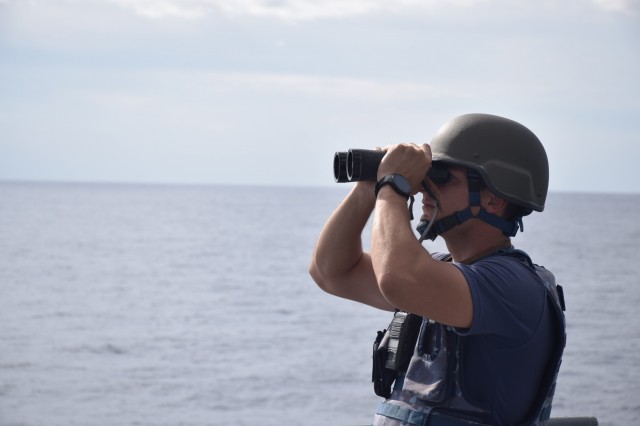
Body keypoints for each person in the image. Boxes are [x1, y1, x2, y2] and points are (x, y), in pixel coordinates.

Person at [309, 113, 566, 425]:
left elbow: (398, 278)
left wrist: (392, 186)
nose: (424, 190)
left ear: (494, 201)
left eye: (442, 178)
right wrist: (367, 189)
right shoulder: (438, 274)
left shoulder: (512, 286)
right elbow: (331, 271)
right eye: (426, 176)